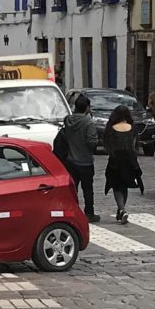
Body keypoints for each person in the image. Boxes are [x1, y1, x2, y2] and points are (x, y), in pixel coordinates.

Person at [55, 92, 101, 223]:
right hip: (85, 161)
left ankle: (70, 210)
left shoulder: (68, 120)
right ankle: (89, 213)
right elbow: (92, 142)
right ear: (87, 107)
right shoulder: (88, 123)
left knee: (72, 189)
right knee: (87, 189)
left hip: (70, 161)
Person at [102, 104, 144, 224]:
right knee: (124, 185)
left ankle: (122, 209)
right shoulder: (133, 128)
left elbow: (107, 145)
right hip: (129, 160)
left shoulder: (111, 128)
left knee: (116, 186)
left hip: (115, 161)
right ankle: (121, 209)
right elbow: (135, 145)